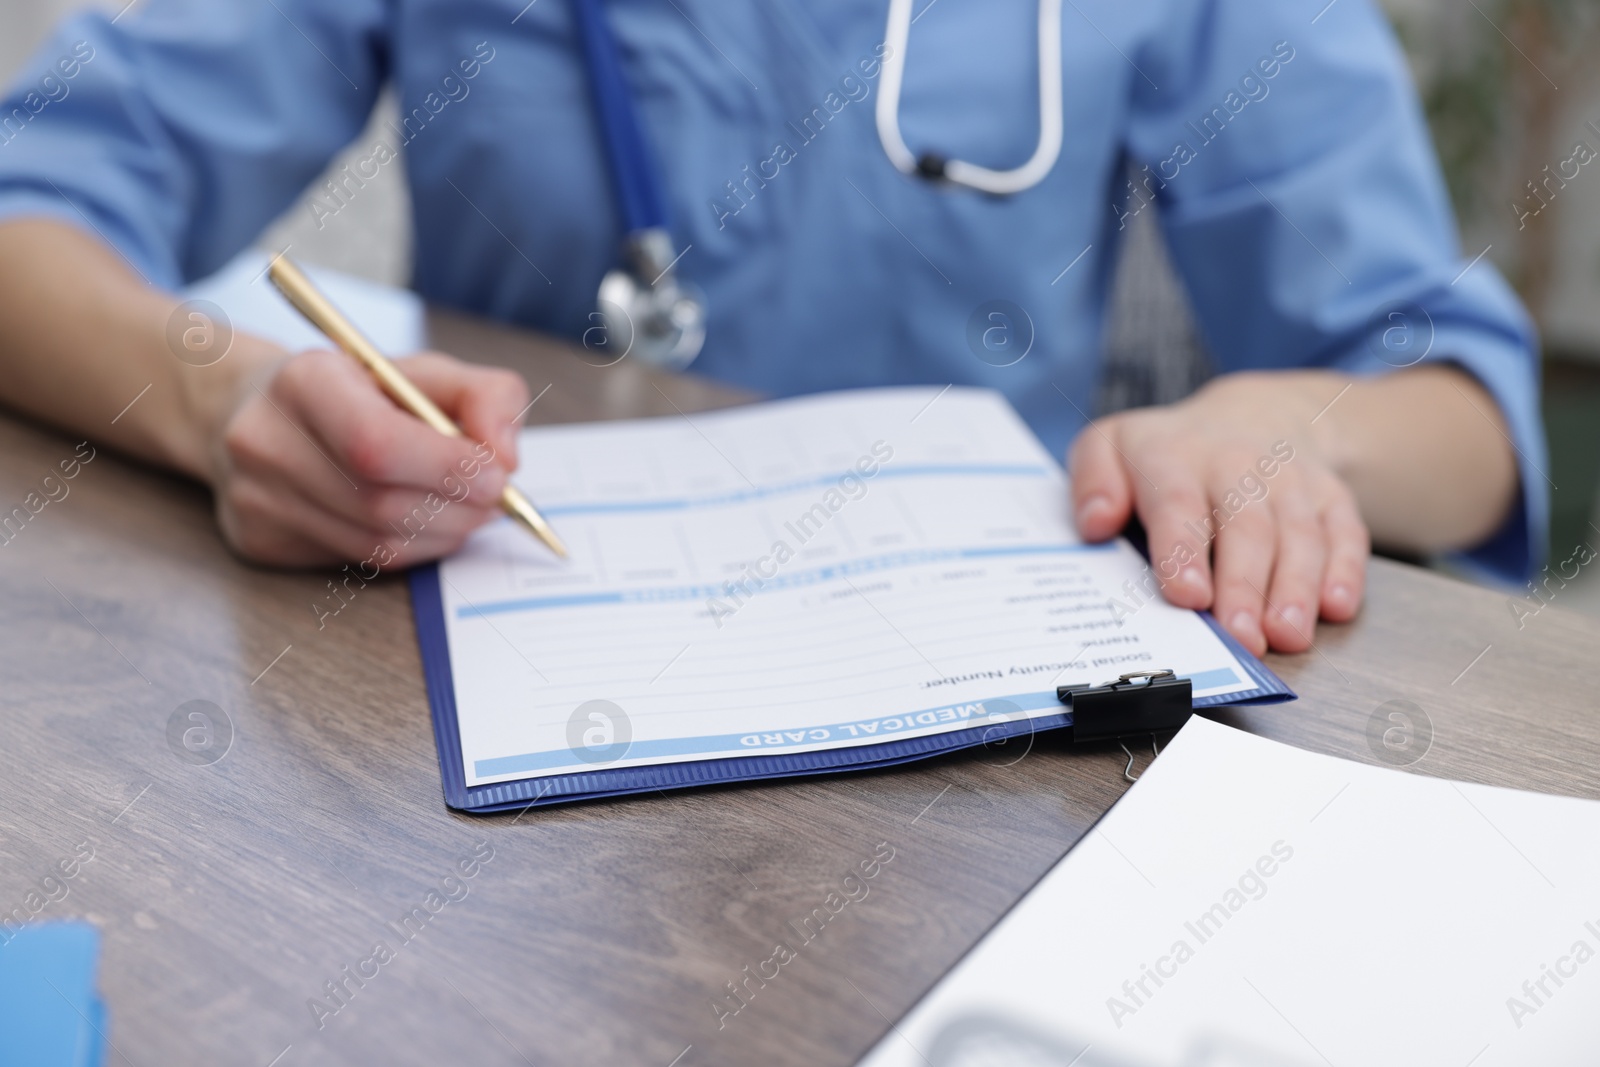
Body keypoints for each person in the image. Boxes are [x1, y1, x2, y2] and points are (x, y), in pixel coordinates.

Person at [0, 0, 1542, 658]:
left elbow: (1461, 405)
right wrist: (220, 401)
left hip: (985, 736)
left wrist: (1274, 438)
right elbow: (32, 196)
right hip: (468, 700)